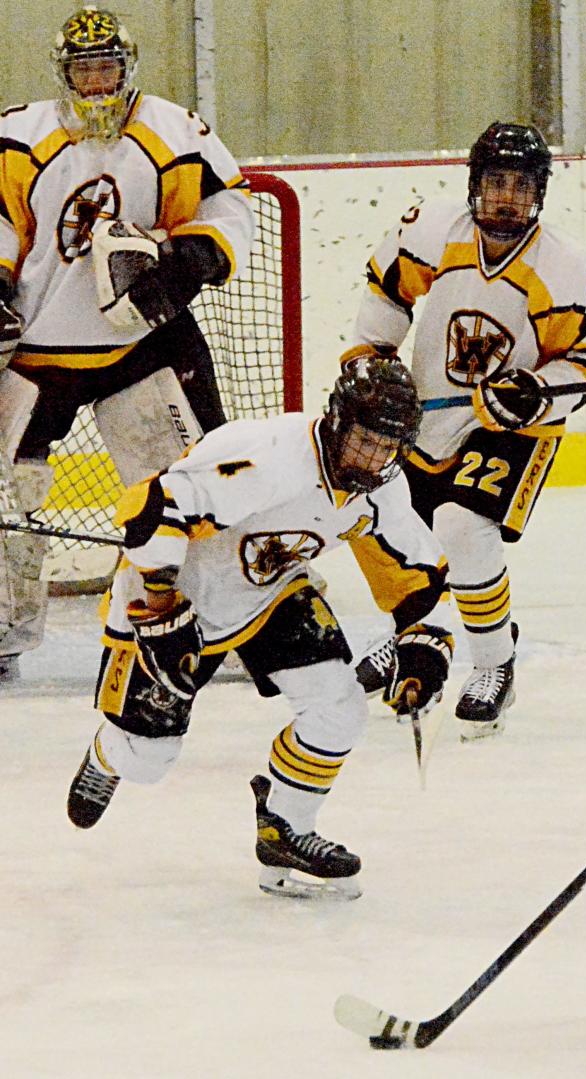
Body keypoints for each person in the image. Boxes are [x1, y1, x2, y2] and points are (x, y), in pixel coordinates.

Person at [66, 357, 455, 899]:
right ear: (339, 421)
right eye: (366, 440)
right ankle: (109, 753)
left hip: (271, 593)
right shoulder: (267, 455)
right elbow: (151, 506)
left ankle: (285, 826)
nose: (374, 458)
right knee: (149, 760)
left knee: (338, 708)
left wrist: (424, 648)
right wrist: (161, 608)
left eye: (388, 446)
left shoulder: (378, 489)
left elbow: (417, 574)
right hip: (177, 602)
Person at [0, 4, 254, 683]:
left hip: (139, 346)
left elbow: (228, 204)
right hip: (35, 352)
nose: (98, 84)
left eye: (108, 68)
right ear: (65, 74)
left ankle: (212, 613)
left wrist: (194, 258)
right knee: (7, 491)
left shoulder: (172, 130)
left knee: (191, 481)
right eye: (85, 70)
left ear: (128, 68)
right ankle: (3, 626)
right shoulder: (19, 137)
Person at [342, 121, 586, 739]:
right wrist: (374, 368)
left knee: (462, 527)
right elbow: (383, 307)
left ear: (539, 193)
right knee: (397, 531)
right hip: (425, 416)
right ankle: (416, 637)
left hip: (511, 426)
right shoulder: (431, 232)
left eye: (521, 185)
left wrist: (540, 392)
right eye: (496, 182)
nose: (507, 197)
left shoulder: (567, 267)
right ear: (474, 185)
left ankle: (494, 665)